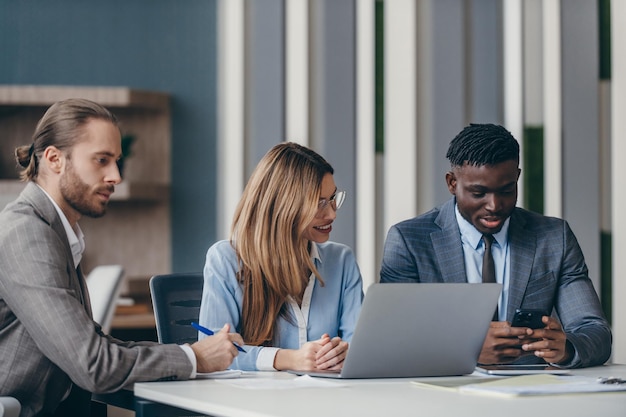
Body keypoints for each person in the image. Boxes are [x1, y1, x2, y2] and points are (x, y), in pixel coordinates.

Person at [0, 98, 244, 417]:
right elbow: (94, 364)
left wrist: (193, 354)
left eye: (116, 161)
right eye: (101, 160)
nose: (116, 175)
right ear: (54, 159)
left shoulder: (53, 232)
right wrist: (194, 358)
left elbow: (99, 347)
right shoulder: (27, 233)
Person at [380, 123, 611, 368]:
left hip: (531, 395)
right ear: (452, 183)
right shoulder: (409, 241)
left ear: (517, 178)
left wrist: (566, 349)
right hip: (444, 395)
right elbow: (392, 338)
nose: (494, 205)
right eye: (479, 193)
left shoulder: (554, 238)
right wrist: (466, 348)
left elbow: (595, 331)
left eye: (506, 190)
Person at [199, 142, 364, 372]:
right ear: (282, 206)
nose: (332, 213)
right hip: (251, 404)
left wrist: (344, 354)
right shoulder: (225, 259)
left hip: (328, 402)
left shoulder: (342, 261)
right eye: (319, 203)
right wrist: (290, 359)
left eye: (333, 198)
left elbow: (359, 348)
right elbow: (213, 352)